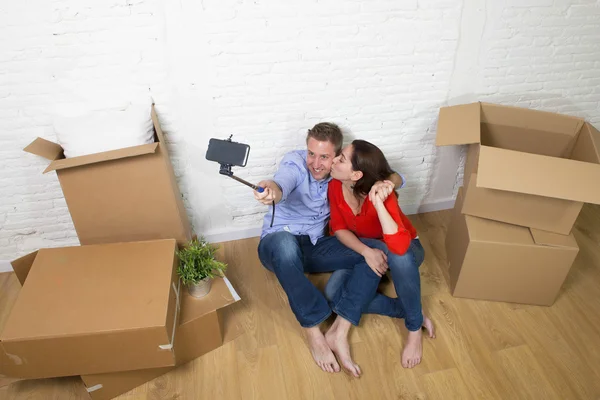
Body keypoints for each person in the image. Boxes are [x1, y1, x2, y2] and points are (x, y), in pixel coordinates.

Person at [254, 123, 403, 376]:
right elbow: (280, 183)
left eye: (324, 156)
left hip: (314, 247)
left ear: (336, 158)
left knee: (375, 249)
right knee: (285, 245)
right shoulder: (295, 163)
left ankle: (340, 330)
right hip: (277, 244)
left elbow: (394, 176)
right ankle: (313, 331)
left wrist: (387, 182)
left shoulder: (339, 175)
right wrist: (271, 191)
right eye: (311, 153)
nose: (315, 163)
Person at [323, 139, 435, 369]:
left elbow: (399, 245)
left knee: (398, 255)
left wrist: (380, 203)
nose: (333, 160)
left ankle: (413, 329)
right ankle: (408, 309)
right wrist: (366, 251)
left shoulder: (382, 192)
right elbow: (339, 229)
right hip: (365, 247)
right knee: (334, 293)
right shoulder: (335, 186)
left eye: (341, 159)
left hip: (404, 251)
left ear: (356, 175)